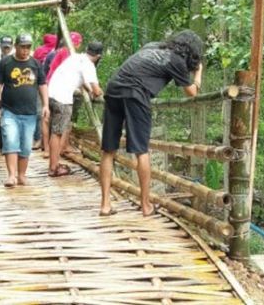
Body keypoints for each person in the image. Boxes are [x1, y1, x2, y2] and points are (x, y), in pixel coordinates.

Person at [99, 30, 204, 217]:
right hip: (135, 94)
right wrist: (198, 74)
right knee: (142, 150)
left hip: (113, 89)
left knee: (108, 150)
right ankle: (146, 205)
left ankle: (105, 205)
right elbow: (192, 92)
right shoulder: (177, 61)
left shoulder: (152, 46)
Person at [0, 33, 49, 187]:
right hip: (9, 110)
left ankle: (22, 175)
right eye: (22, 47)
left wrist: (45, 105)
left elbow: (43, 84)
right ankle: (11, 176)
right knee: (10, 140)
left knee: (25, 145)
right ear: (15, 46)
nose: (25, 50)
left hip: (29, 112)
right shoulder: (5, 63)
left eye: (28, 47)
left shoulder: (35, 64)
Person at [47, 42, 104, 177]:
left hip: (52, 94)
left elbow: (83, 80)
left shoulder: (76, 57)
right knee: (57, 133)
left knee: (55, 132)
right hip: (62, 98)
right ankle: (53, 167)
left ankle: (54, 164)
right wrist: (99, 92)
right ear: (99, 56)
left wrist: (88, 89)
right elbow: (96, 90)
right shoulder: (89, 65)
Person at [0, 36, 14, 155]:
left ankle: (10, 145)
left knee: (10, 121)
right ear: (0, 46)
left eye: (8, 47)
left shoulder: (15, 59)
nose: (6, 49)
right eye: (4, 46)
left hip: (10, 96)